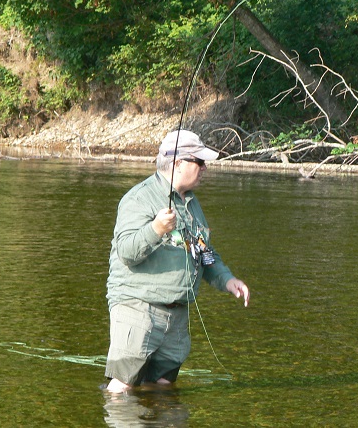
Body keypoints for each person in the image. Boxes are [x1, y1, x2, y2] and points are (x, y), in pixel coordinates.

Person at [105, 129, 250, 393]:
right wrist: (156, 229)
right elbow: (126, 252)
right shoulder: (138, 198)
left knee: (162, 387)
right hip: (138, 307)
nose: (205, 168)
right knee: (122, 386)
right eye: (200, 162)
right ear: (177, 163)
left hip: (176, 314)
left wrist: (228, 280)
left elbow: (205, 252)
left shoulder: (192, 203)